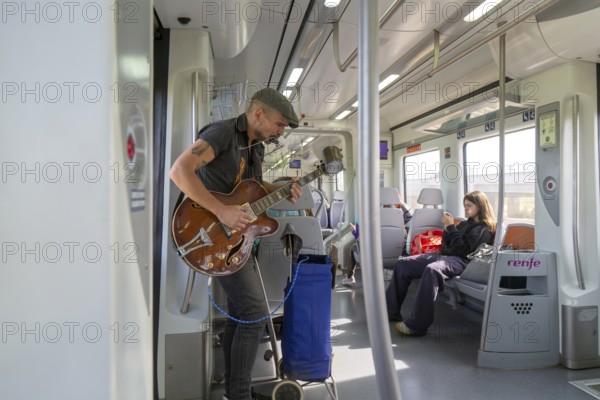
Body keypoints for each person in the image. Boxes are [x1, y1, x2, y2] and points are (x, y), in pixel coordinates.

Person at [170, 88, 301, 400]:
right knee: (255, 312)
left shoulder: (255, 147)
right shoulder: (223, 133)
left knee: (239, 314)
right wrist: (222, 211)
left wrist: (282, 188)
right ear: (258, 114)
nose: (281, 131)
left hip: (233, 239)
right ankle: (240, 395)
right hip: (206, 234)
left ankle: (233, 391)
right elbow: (179, 171)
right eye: (280, 124)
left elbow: (251, 190)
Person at [385, 191, 496, 336]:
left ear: (480, 206)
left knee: (432, 270)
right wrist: (447, 231)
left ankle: (417, 325)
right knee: (403, 264)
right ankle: (390, 311)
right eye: (465, 206)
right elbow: (446, 246)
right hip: (445, 256)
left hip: (464, 262)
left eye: (469, 206)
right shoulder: (463, 224)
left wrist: (451, 228)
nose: (466, 209)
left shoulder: (485, 228)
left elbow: (465, 251)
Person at [342, 200, 413, 286]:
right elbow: (410, 217)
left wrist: (353, 231)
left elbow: (359, 237)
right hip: (396, 254)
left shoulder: (364, 215)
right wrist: (401, 203)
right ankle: (386, 271)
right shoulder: (399, 214)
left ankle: (349, 277)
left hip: (374, 254)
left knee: (353, 247)